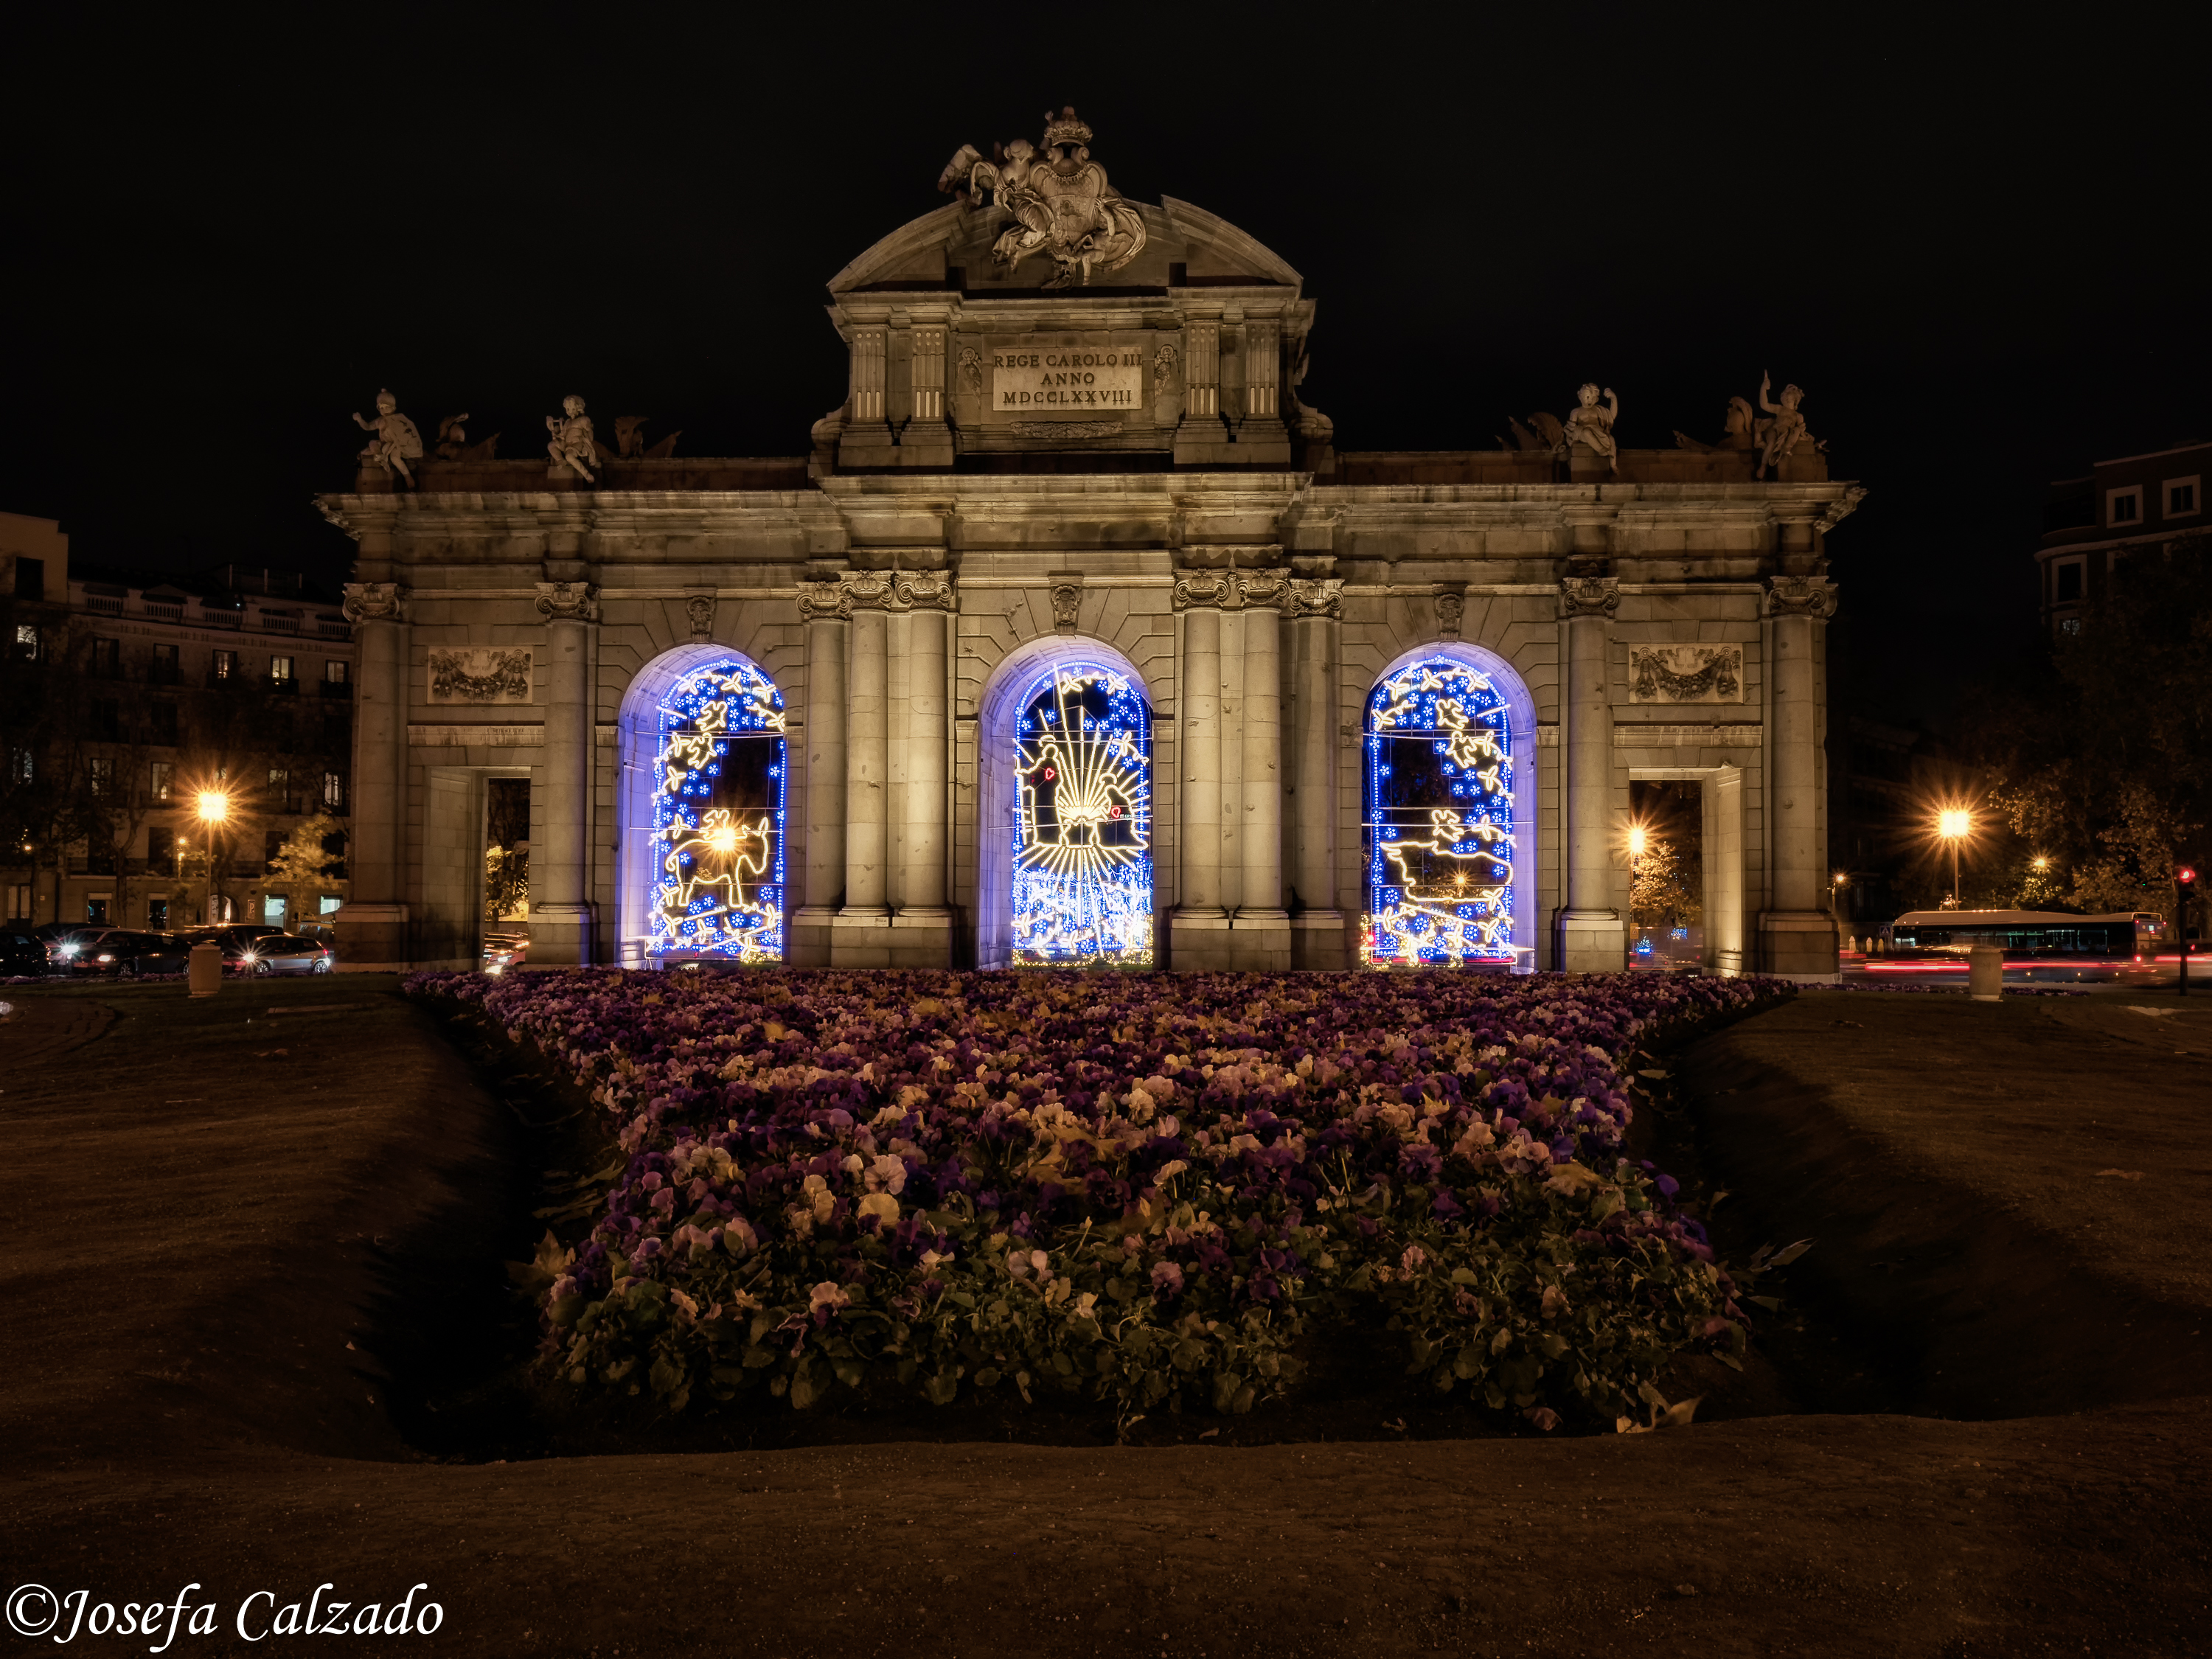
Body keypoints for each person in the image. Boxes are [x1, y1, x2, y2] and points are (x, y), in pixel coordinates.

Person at [352, 389, 423, 486]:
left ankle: (408, 477)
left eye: (386, 407)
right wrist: (360, 420)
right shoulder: (380, 421)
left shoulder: (399, 420)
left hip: (397, 445)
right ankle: (380, 457)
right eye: (381, 407)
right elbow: (368, 427)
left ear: (392, 407)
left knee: (394, 457)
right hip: (384, 444)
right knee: (371, 444)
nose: (383, 409)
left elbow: (406, 434)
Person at [1755, 372, 1809, 478]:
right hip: (1774, 431)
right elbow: (1764, 405)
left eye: (1789, 400)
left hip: (1787, 434)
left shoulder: (1798, 416)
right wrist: (1763, 389)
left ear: (1795, 402)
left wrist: (1804, 436)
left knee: (1796, 431)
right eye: (1785, 399)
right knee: (1771, 444)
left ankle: (1786, 448)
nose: (1786, 401)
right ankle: (1763, 466)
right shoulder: (1780, 409)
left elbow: (1801, 430)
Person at [1562, 383, 1619, 474]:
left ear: (1596, 399)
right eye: (1587, 397)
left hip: (1598, 432)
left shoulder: (1598, 410)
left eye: (1593, 398)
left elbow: (1611, 417)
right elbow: (1571, 427)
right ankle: (1601, 450)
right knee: (1587, 433)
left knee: (1611, 439)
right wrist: (1571, 436)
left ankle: (1613, 464)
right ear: (1580, 396)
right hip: (1583, 433)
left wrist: (1614, 399)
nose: (1590, 400)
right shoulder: (1576, 411)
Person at [546, 394, 597, 482]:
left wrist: (587, 444)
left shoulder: (584, 420)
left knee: (570, 456)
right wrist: (551, 428)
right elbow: (562, 434)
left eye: (573, 409)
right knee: (551, 445)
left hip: (576, 443)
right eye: (567, 409)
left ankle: (586, 474)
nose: (570, 412)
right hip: (565, 443)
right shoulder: (568, 422)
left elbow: (589, 433)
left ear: (579, 408)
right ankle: (561, 461)